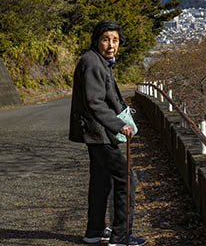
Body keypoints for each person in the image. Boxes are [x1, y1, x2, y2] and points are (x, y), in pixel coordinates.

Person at [69, 19, 147, 246]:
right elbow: (95, 102)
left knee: (101, 181)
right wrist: (117, 125)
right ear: (96, 40)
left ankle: (94, 231)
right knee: (126, 179)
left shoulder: (100, 61)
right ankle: (121, 236)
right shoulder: (92, 63)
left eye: (115, 40)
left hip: (96, 132)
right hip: (98, 132)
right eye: (106, 39)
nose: (111, 45)